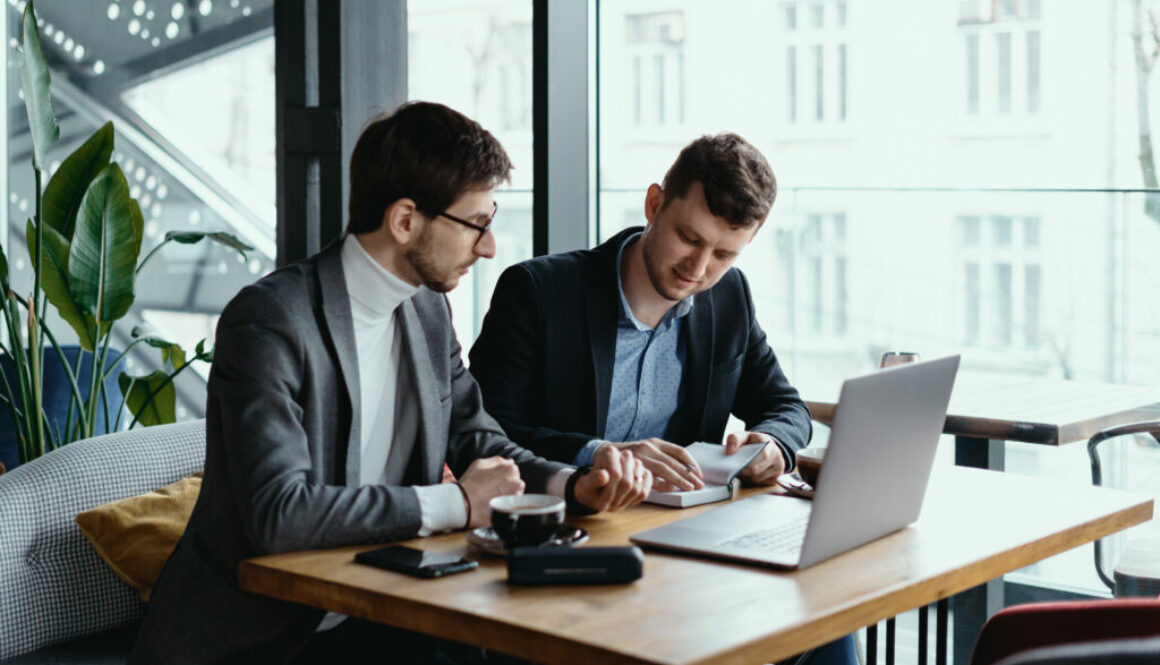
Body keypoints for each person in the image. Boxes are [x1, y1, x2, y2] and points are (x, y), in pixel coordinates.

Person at [130, 101, 652, 665]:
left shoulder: (426, 309)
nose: (489, 246)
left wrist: (572, 486)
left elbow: (478, 438)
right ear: (405, 221)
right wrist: (457, 502)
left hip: (383, 614)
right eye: (476, 223)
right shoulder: (270, 320)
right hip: (251, 639)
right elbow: (280, 516)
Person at [468, 133, 857, 665]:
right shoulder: (538, 293)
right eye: (688, 238)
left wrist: (772, 445)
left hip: (682, 547)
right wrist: (596, 451)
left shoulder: (728, 297)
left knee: (824, 611)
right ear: (654, 205)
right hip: (576, 550)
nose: (699, 268)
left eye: (723, 253)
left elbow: (787, 408)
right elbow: (486, 435)